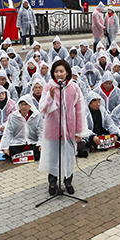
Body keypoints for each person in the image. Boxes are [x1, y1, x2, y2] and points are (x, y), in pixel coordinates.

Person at [40, 60, 86, 196]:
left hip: (69, 129)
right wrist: (50, 97)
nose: (59, 74)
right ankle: (53, 183)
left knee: (68, 157)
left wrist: (79, 131)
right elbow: (43, 108)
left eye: (61, 71)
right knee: (53, 157)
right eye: (56, 71)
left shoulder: (74, 88)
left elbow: (79, 109)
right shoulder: (49, 86)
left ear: (67, 72)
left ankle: (68, 181)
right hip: (53, 128)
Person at [1, 94, 43, 161]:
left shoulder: (37, 116)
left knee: (38, 150)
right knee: (12, 151)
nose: (23, 107)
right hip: (18, 143)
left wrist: (41, 144)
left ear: (30, 105)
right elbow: (8, 132)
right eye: (21, 105)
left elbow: (41, 131)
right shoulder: (12, 117)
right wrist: (4, 147)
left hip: (32, 142)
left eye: (26, 105)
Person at [78, 91, 120, 158]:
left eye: (99, 102)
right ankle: (88, 147)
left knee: (109, 136)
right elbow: (83, 127)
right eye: (95, 102)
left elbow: (110, 123)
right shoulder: (84, 112)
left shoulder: (102, 111)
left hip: (100, 134)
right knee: (85, 140)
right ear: (89, 103)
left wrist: (115, 134)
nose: (98, 104)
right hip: (90, 135)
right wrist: (92, 136)